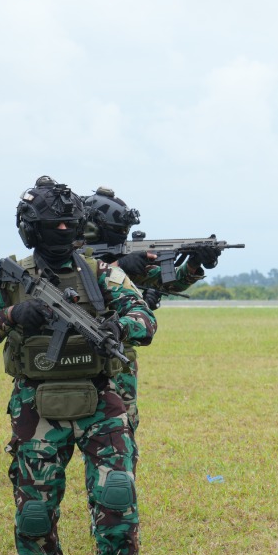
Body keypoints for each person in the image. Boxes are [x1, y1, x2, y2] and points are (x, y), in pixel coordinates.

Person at [0, 177, 156, 555]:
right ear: (31, 230)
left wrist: (119, 329)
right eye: (53, 227)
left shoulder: (103, 273)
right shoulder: (9, 279)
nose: (62, 235)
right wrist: (11, 314)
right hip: (36, 406)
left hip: (100, 400)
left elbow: (143, 317)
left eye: (69, 226)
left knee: (116, 497)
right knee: (35, 511)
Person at [79, 186, 220, 438]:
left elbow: (170, 282)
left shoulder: (125, 257)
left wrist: (195, 263)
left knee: (121, 424)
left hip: (117, 354)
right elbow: (75, 283)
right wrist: (118, 266)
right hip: (76, 352)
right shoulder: (71, 258)